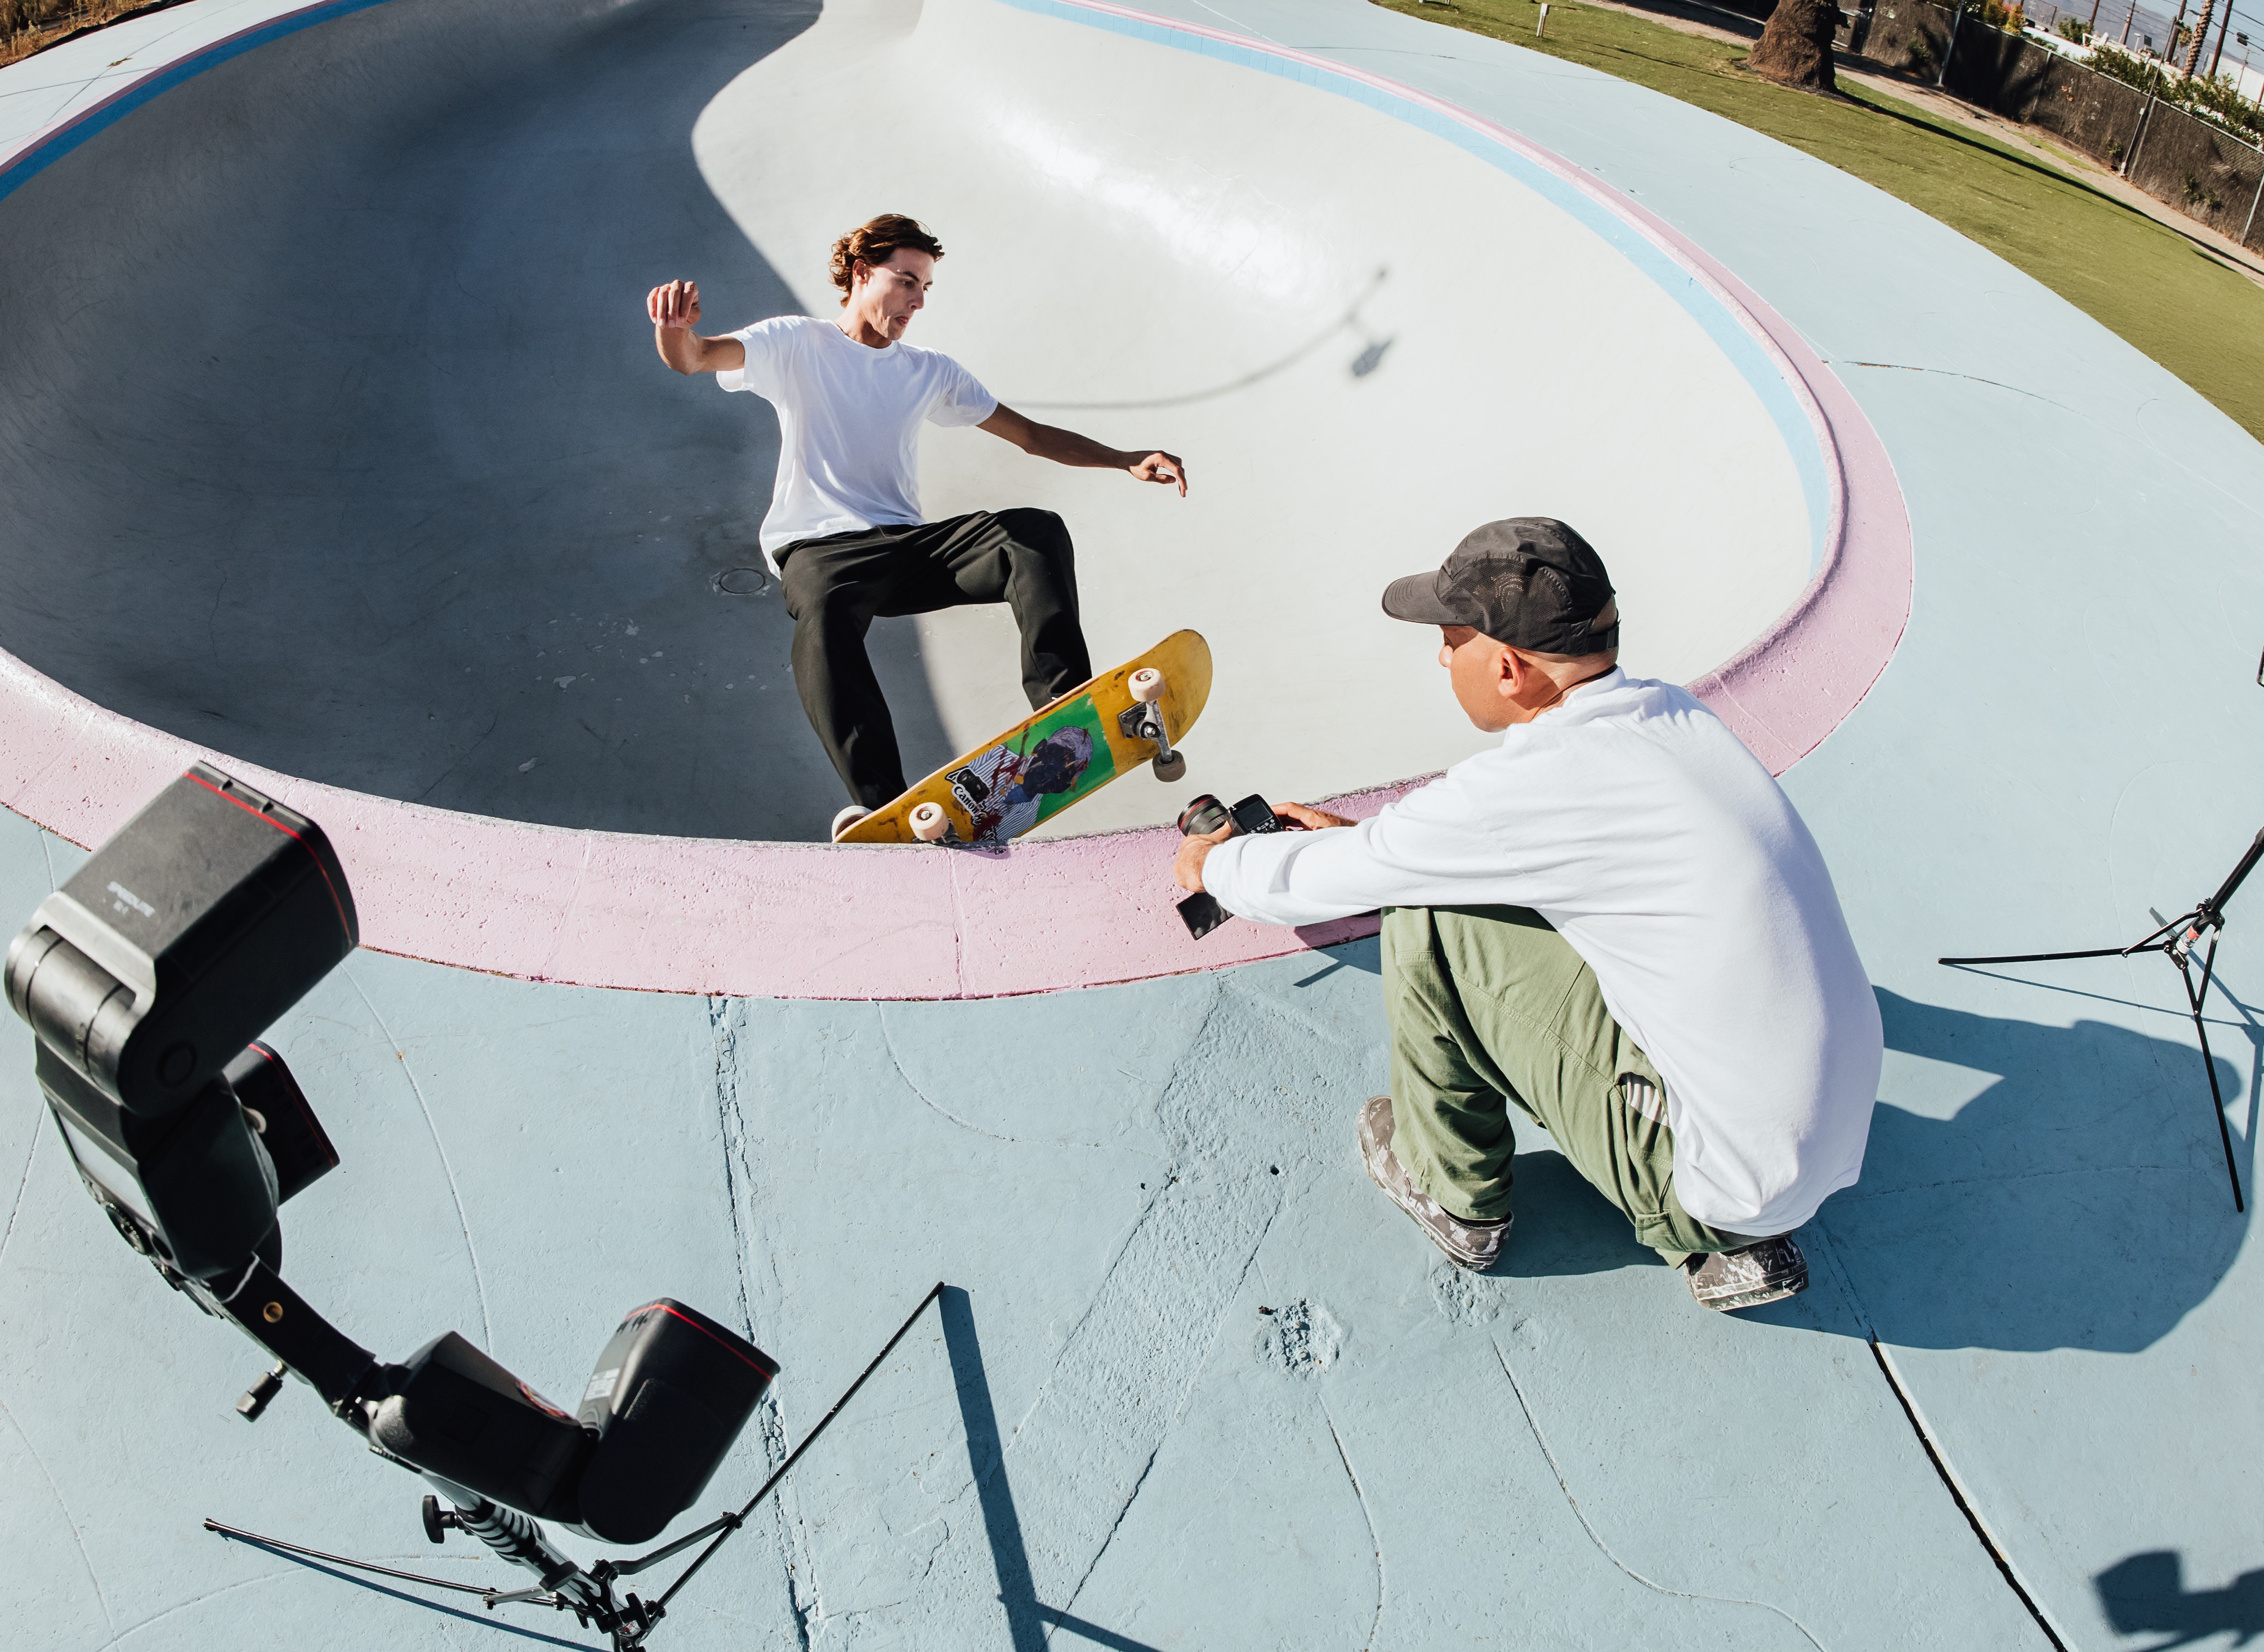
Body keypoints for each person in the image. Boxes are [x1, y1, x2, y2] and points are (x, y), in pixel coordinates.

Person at [1171, 518, 1882, 1311]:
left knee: (1427, 914)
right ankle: (1726, 1221)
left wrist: (1215, 863)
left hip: (1720, 1178)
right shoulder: (1675, 717)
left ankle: (1456, 1197)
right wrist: (1376, 840)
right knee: (1461, 886)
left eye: (1448, 640)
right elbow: (1525, 845)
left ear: (1506, 667)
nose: (1442, 659)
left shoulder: (1539, 784)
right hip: (1827, 1138)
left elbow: (1317, 885)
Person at [647, 213, 1189, 839]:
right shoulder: (796, 342)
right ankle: (884, 803)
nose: (916, 301)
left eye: (925, 288)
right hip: (820, 551)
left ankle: (1065, 708)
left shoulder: (929, 371)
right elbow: (695, 358)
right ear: (860, 273)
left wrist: (1123, 460)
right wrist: (673, 332)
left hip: (907, 548)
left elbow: (1033, 436)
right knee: (823, 617)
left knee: (1033, 531)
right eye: (906, 281)